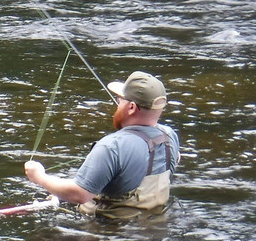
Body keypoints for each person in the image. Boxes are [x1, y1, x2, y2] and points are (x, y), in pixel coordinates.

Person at [24, 71, 180, 221]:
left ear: (131, 107)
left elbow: (80, 194)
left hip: (108, 235)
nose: (117, 104)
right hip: (153, 226)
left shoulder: (112, 146)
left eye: (120, 100)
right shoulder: (169, 136)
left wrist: (39, 177)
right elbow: (173, 161)